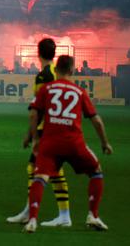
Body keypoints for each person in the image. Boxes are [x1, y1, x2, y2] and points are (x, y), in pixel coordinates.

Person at [22, 55, 113, 233]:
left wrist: (32, 138)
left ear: (56, 70)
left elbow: (34, 114)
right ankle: (93, 215)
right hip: (74, 143)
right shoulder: (79, 91)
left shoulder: (47, 88)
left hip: (50, 143)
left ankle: (32, 220)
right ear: (72, 70)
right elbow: (97, 121)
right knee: (96, 172)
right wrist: (105, 143)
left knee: (40, 177)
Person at [8, 38, 71, 227]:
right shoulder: (57, 73)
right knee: (55, 171)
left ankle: (30, 211)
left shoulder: (43, 76)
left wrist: (32, 135)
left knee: (34, 169)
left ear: (38, 53)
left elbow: (39, 109)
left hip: (48, 130)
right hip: (61, 127)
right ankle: (64, 215)